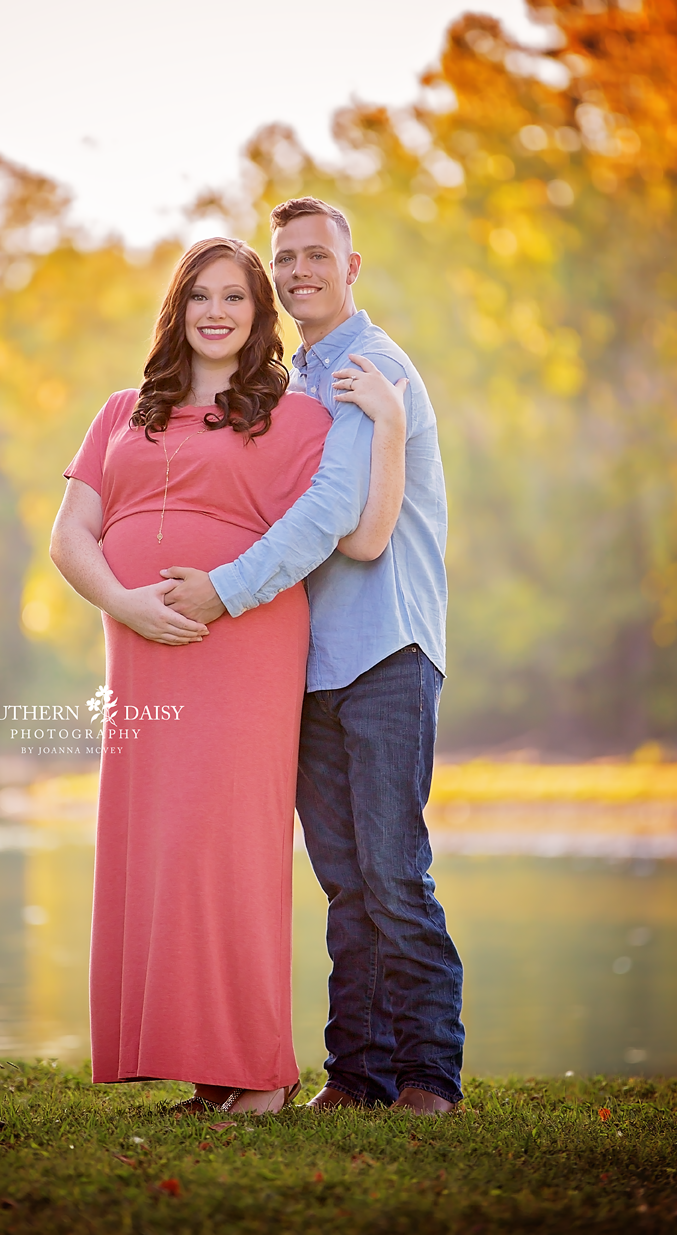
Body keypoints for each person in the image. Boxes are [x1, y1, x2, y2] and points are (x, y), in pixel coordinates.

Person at [49, 236, 407, 1115]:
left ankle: (259, 1075)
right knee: (156, 849)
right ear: (177, 308)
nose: (216, 312)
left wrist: (392, 425)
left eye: (236, 299)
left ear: (258, 317)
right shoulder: (121, 411)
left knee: (232, 852)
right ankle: (209, 1071)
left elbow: (357, 535)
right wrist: (124, 605)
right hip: (140, 649)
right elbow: (69, 536)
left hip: (243, 645)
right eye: (201, 296)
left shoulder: (296, 420)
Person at [162, 198, 465, 1115]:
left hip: (384, 652)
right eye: (285, 259)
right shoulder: (303, 379)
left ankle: (428, 1077)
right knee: (343, 881)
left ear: (351, 265)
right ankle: (358, 1075)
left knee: (392, 872)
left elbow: (338, 519)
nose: (298, 272)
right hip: (314, 662)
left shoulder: (369, 371)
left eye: (314, 257)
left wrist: (223, 588)